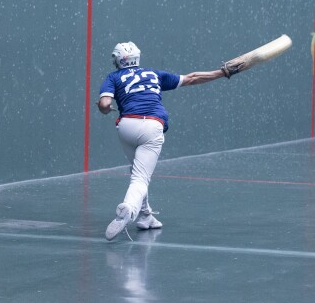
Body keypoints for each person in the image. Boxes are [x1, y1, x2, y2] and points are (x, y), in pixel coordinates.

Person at [97, 41, 227, 241]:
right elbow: (192, 78)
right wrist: (222, 72)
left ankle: (145, 216)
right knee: (140, 177)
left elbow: (105, 103)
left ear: (117, 60)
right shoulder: (153, 74)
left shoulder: (113, 77)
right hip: (151, 126)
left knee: (137, 170)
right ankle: (128, 209)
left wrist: (104, 108)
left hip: (126, 126)